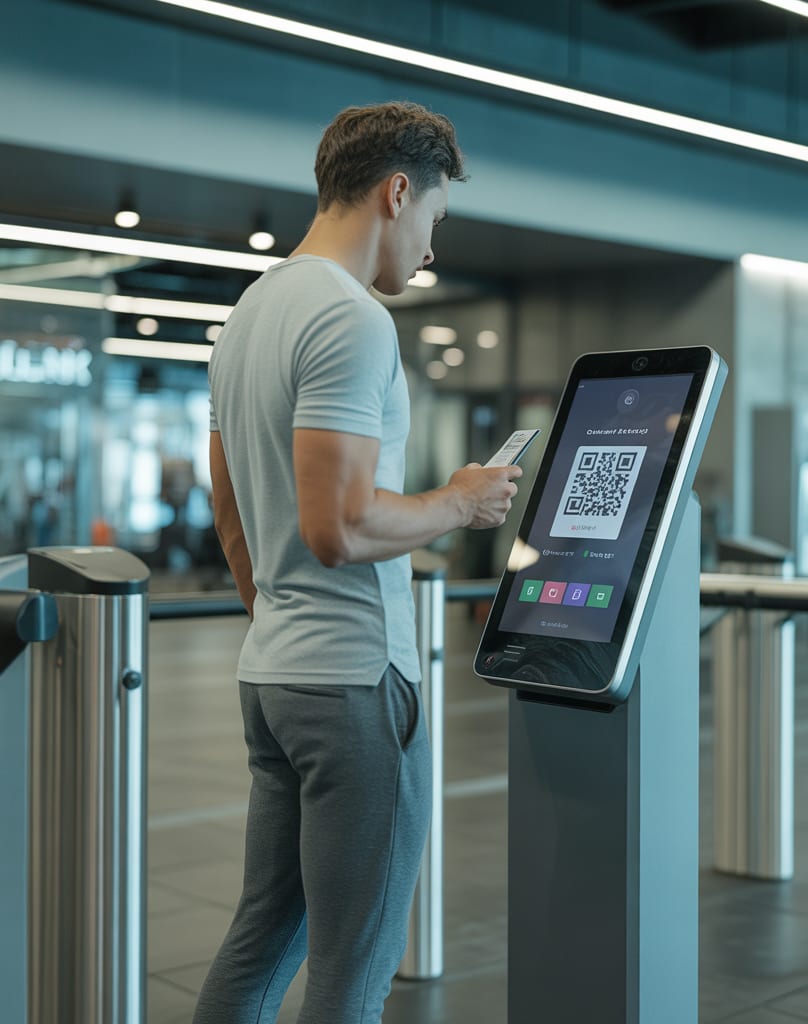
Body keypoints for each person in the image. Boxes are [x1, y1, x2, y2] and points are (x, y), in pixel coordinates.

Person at [194, 101, 522, 1024]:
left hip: (275, 676)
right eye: (433, 219)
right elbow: (337, 526)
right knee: (356, 964)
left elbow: (229, 504)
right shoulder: (350, 317)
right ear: (397, 192)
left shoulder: (250, 314)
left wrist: (276, 615)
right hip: (351, 684)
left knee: (263, 940)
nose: (430, 247)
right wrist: (462, 500)